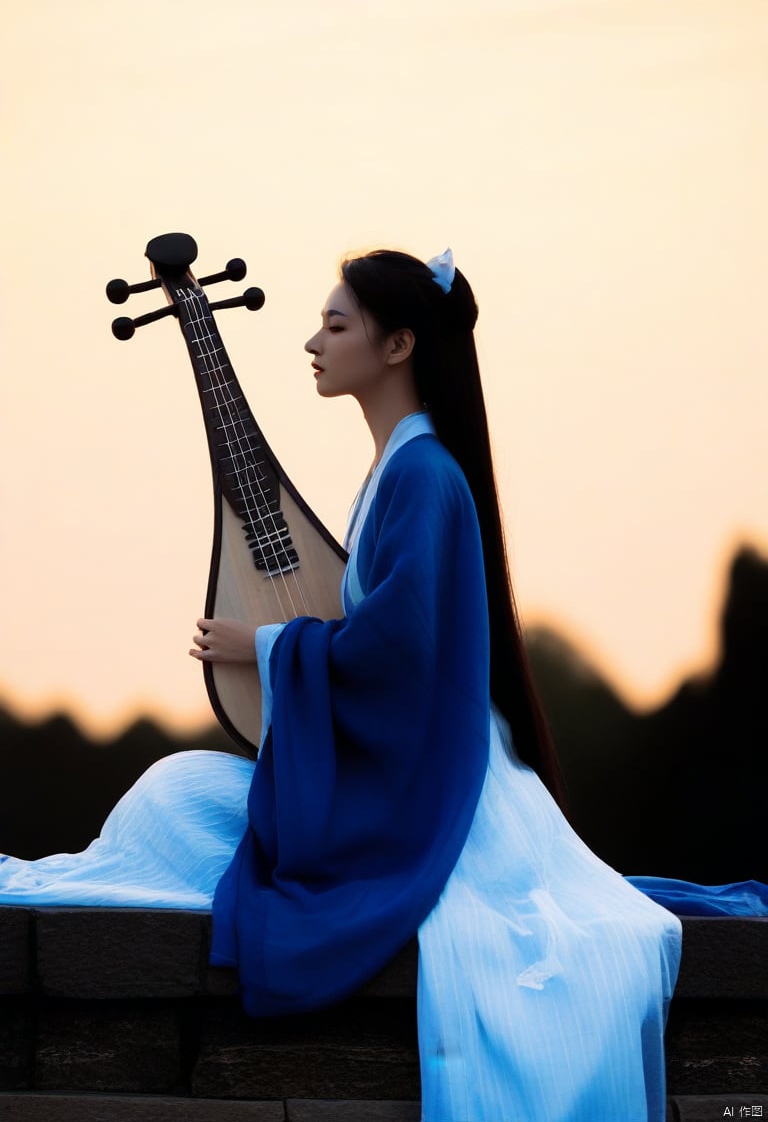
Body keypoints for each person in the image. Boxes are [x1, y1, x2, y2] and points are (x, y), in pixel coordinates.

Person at [1, 247, 763, 1120]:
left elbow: (399, 652)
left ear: (398, 345)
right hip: (402, 775)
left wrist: (267, 641)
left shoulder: (424, 476)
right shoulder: (400, 471)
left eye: (335, 324)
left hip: (441, 798)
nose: (312, 342)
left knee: (175, 809)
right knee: (173, 795)